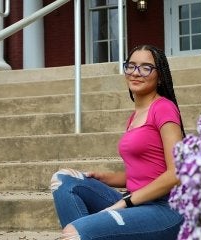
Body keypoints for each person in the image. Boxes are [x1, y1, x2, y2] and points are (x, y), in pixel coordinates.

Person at [50, 44, 186, 240]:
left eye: (146, 67)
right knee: (63, 180)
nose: (136, 73)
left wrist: (125, 202)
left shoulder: (164, 108)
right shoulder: (134, 117)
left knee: (75, 233)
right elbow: (143, 173)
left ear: (160, 76)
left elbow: (176, 173)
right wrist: (104, 177)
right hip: (137, 201)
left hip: (164, 208)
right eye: (131, 66)